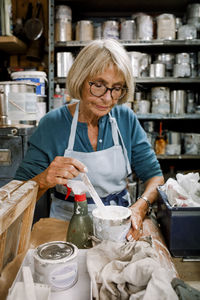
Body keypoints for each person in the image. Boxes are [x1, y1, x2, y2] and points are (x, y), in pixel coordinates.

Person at [15, 39, 164, 241]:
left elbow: (155, 177)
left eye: (117, 88)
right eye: (99, 85)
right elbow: (17, 195)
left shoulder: (125, 119)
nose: (108, 98)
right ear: (80, 79)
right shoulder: (52, 125)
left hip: (118, 229)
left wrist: (140, 207)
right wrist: (44, 180)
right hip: (66, 229)